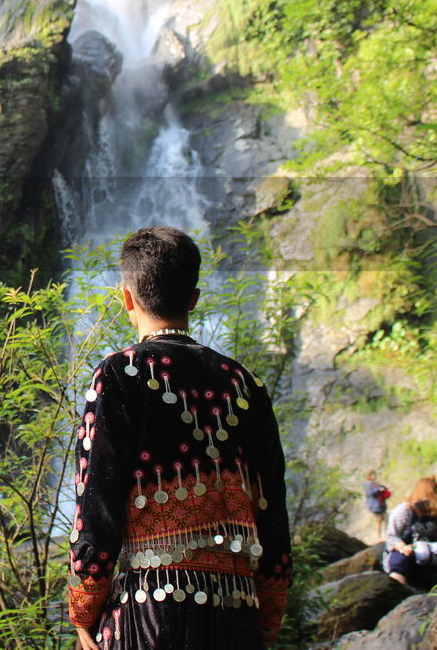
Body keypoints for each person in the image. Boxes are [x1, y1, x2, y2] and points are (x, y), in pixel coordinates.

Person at [68, 226, 293, 650]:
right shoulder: (245, 383)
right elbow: (271, 503)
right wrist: (271, 609)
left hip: (151, 611)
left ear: (127, 299)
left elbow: (98, 500)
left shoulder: (118, 374)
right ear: (194, 298)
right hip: (237, 610)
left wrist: (84, 608)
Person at [384, 476, 437, 589]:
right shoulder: (404, 510)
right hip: (407, 554)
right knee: (400, 562)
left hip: (429, 556)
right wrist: (404, 547)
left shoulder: (435, 514)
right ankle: (395, 591)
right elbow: (392, 537)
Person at [362, 471, 391, 542]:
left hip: (381, 505)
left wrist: (385, 488)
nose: (374, 476)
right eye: (372, 475)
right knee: (379, 521)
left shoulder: (376, 484)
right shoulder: (367, 484)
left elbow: (383, 488)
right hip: (374, 506)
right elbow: (370, 493)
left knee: (387, 519)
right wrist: (379, 490)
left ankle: (388, 535)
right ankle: (379, 537)